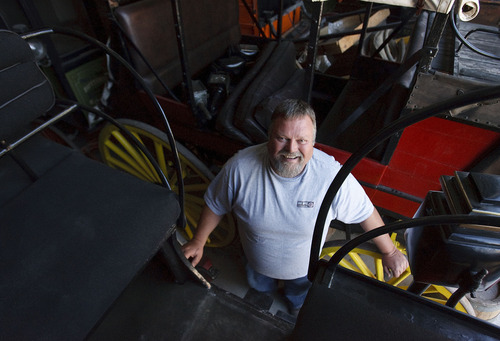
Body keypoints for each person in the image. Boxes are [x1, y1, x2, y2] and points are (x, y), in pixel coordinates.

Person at [182, 99, 408, 315]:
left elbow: (365, 211)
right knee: (259, 285)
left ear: (313, 142)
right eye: (282, 138)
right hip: (256, 263)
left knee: (299, 294)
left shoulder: (331, 176)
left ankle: (296, 304)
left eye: (302, 140)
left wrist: (390, 250)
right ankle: (264, 293)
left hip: (303, 271)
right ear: (269, 137)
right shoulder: (240, 168)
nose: (291, 149)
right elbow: (215, 204)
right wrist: (198, 241)